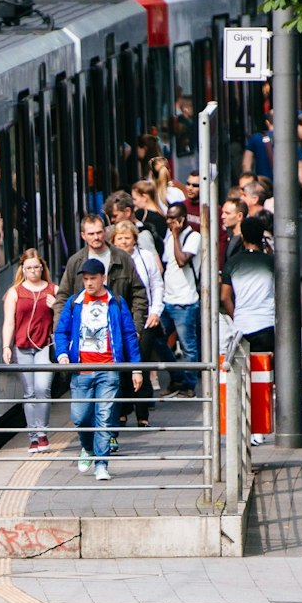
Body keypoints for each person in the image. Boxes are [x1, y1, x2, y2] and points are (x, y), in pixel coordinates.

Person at [52, 257, 141, 482]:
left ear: (104, 278)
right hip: (81, 370)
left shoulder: (116, 302)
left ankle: (102, 463)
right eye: (85, 279)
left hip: (109, 368)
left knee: (104, 417)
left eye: (93, 278)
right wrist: (62, 354)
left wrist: (137, 369)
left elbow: (130, 335)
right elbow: (61, 331)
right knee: (80, 417)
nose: (89, 283)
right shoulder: (75, 302)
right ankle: (88, 448)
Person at [3, 249, 61, 453]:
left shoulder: (54, 289)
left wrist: (56, 307)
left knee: (42, 390)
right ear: (23, 269)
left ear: (42, 267)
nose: (33, 271)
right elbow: (9, 322)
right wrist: (5, 346)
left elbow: (66, 319)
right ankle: (33, 437)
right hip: (22, 347)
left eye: (37, 267)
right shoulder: (15, 292)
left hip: (44, 346)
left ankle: (43, 434)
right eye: (29, 268)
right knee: (28, 394)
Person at [110, 219, 163, 426]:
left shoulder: (146, 258)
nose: (124, 242)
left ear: (135, 240)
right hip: (120, 320)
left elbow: (157, 285)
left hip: (145, 319)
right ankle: (123, 410)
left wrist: (156, 311)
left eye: (127, 238)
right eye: (120, 238)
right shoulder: (111, 260)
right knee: (121, 365)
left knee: (140, 362)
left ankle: (142, 414)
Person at [60, 214, 147, 325]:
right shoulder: (75, 261)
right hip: (84, 329)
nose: (96, 237)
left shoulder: (122, 258)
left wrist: (136, 327)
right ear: (83, 235)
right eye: (91, 234)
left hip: (118, 326)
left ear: (105, 232)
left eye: (99, 232)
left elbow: (139, 294)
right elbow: (63, 296)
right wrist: (61, 331)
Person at [160, 199, 205, 398]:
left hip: (185, 301)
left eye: (173, 219)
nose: (169, 222)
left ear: (182, 219)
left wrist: (176, 235)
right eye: (167, 218)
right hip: (166, 299)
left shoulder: (193, 237)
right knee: (158, 341)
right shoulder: (168, 236)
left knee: (188, 346)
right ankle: (177, 376)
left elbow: (181, 260)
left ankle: (189, 385)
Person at [221, 214, 277, 353]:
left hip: (242, 326)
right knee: (267, 369)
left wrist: (236, 316)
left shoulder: (232, 263)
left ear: (242, 236)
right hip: (267, 324)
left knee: (246, 371)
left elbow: (224, 297)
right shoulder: (270, 262)